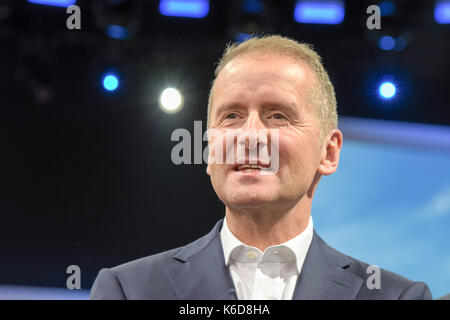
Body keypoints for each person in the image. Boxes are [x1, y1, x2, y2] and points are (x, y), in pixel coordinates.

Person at [90, 35, 432, 300]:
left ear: (329, 152)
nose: (250, 135)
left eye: (278, 116)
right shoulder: (129, 290)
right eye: (232, 116)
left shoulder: (396, 296)